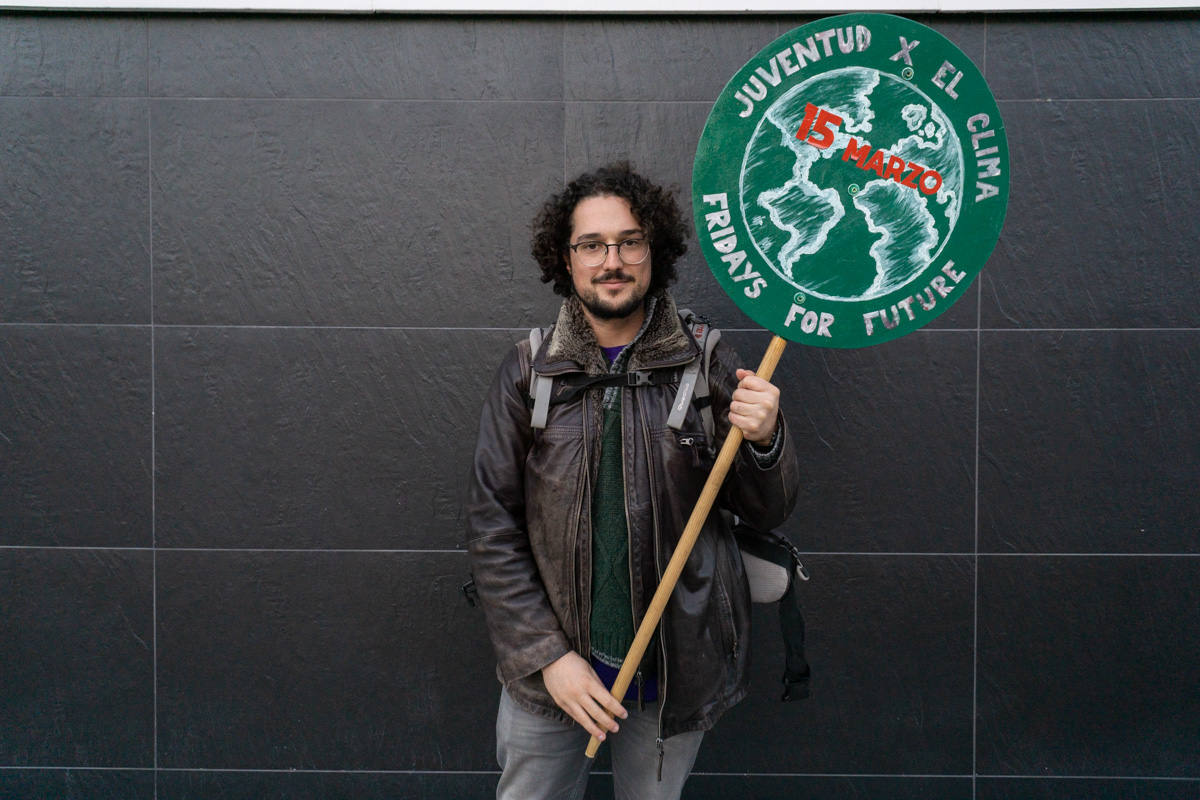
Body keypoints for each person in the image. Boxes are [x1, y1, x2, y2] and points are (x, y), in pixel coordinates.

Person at [466, 162, 800, 800]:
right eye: (591, 245)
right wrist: (546, 657)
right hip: (551, 679)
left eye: (629, 242)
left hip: (671, 673)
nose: (611, 261)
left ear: (656, 251)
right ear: (566, 259)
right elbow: (492, 530)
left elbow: (767, 510)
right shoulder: (529, 372)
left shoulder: (706, 363)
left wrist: (766, 440)